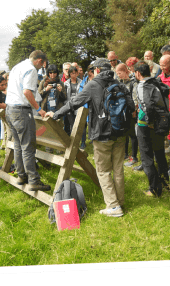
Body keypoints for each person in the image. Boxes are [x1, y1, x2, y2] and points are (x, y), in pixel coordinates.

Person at [46, 58, 135, 218]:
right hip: (120, 133)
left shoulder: (93, 85)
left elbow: (74, 102)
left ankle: (113, 207)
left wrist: (56, 114)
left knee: (103, 171)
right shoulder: (120, 84)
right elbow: (131, 106)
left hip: (102, 134)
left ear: (98, 70)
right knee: (118, 169)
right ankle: (120, 201)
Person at [5, 50, 50, 191]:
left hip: (10, 109)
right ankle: (33, 181)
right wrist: (39, 109)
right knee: (28, 147)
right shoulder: (31, 70)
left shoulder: (17, 67)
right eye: (43, 64)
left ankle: (21, 176)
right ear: (39, 61)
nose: (42, 67)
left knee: (18, 145)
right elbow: (27, 92)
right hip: (21, 111)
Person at [133, 61, 170, 197]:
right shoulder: (157, 82)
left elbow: (146, 105)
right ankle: (166, 183)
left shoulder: (142, 85)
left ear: (138, 73)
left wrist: (149, 122)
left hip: (146, 125)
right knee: (159, 154)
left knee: (146, 157)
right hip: (161, 123)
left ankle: (154, 188)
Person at [38, 64, 66, 152]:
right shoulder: (43, 82)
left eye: (54, 73)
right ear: (48, 73)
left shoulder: (60, 82)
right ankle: (48, 148)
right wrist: (46, 90)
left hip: (57, 109)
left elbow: (64, 97)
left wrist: (61, 91)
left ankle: (59, 148)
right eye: (50, 73)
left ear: (57, 73)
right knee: (47, 129)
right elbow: (38, 96)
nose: (52, 75)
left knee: (58, 129)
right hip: (46, 109)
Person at [115, 64, 139, 167]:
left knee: (132, 135)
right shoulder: (119, 83)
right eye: (117, 74)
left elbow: (135, 99)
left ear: (125, 71)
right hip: (121, 112)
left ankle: (134, 157)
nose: (118, 75)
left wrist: (133, 109)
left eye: (119, 73)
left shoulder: (133, 83)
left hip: (131, 112)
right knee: (124, 134)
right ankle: (124, 154)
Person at [77, 62, 96, 150]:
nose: (92, 73)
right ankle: (83, 142)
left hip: (95, 107)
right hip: (85, 106)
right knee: (83, 125)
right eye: (91, 71)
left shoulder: (97, 80)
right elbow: (81, 93)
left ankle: (94, 141)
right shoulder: (84, 82)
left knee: (94, 125)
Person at [64, 65, 82, 135]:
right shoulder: (66, 83)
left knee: (79, 124)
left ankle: (81, 140)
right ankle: (71, 140)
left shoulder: (81, 82)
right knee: (71, 123)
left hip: (78, 105)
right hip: (69, 105)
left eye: (74, 73)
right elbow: (64, 96)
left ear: (77, 73)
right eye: (71, 73)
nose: (73, 75)